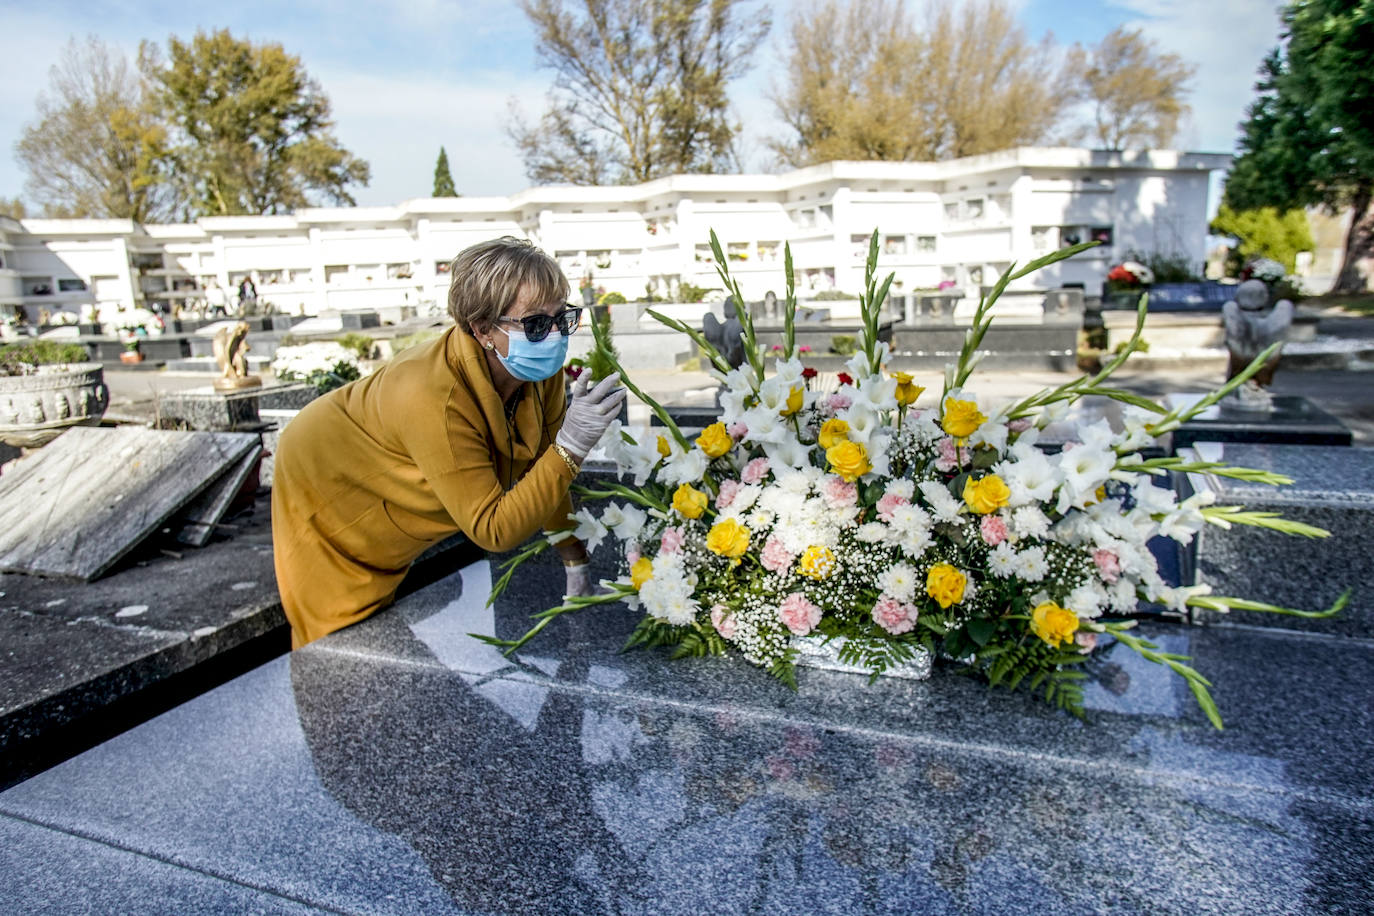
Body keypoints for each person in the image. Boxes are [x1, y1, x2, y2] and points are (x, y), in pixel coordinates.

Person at [271, 237, 626, 648]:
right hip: (325, 481)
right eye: (534, 323)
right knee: (337, 641)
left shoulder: (538, 373)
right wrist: (574, 441)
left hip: (395, 493)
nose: (553, 337)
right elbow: (493, 529)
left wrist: (575, 560)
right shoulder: (432, 396)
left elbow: (545, 468)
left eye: (561, 317)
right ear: (482, 329)